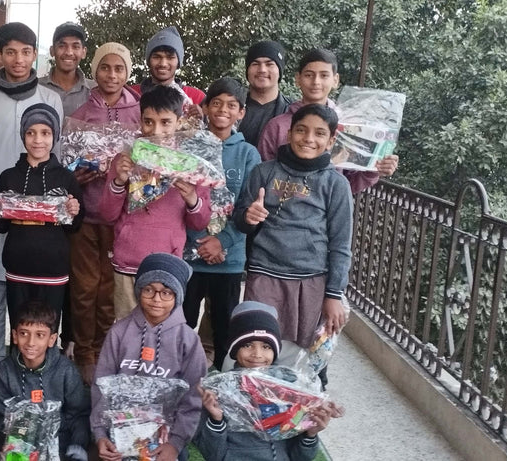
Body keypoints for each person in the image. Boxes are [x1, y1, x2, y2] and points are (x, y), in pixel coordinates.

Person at [0, 22, 64, 374]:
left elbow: (60, 155)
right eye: (11, 51)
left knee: (34, 294)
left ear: (35, 54)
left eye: (26, 51)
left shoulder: (50, 99)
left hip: (38, 222)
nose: (18, 59)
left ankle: (37, 355)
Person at [233, 104, 352, 363]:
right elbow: (241, 220)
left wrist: (333, 295)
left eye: (319, 133)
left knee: (306, 357)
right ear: (289, 134)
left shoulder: (336, 185)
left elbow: (341, 245)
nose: (309, 139)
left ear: (331, 141)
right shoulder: (263, 172)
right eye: (301, 130)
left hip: (311, 281)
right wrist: (248, 217)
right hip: (264, 276)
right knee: (256, 354)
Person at [101, 86, 210, 319]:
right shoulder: (126, 158)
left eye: (165, 122)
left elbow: (200, 222)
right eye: (148, 122)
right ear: (139, 121)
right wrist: (119, 181)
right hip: (128, 264)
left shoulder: (189, 164)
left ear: (179, 122)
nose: (156, 131)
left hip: (168, 266)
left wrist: (191, 197)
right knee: (127, 331)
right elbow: (107, 215)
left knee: (164, 336)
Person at [67, 42, 140, 382]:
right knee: (84, 289)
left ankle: (104, 346)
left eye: (119, 68)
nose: (112, 75)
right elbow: (67, 165)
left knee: (110, 290)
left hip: (122, 218)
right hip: (85, 216)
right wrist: (77, 175)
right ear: (95, 70)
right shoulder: (81, 114)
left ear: (128, 73)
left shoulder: (139, 113)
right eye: (106, 68)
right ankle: (84, 351)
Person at [91, 253, 208, 461]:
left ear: (177, 297)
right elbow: (101, 385)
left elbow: (193, 397)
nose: (156, 299)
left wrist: (176, 443)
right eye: (148, 290)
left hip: (166, 436)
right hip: (121, 430)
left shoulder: (188, 340)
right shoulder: (119, 332)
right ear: (139, 291)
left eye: (166, 293)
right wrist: (100, 434)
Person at [184, 77, 261, 369]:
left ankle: (221, 387)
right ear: (205, 108)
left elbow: (247, 205)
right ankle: (183, 381)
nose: (223, 110)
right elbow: (182, 198)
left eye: (232, 105)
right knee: (181, 322)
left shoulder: (247, 153)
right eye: (216, 103)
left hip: (229, 258)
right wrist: (199, 242)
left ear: (241, 112)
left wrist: (222, 241)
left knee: (224, 329)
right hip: (189, 256)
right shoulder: (190, 147)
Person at [0, 104, 82, 330]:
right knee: (20, 329)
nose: (38, 140)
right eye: (31, 133)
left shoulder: (66, 178)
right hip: (18, 266)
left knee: (48, 330)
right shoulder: (9, 176)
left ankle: (49, 366)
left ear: (54, 136)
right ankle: (16, 365)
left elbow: (74, 227)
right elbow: (1, 227)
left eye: (45, 133)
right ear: (23, 136)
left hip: (54, 268)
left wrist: (75, 211)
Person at [193, 301, 334, 461]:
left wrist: (310, 433)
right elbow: (213, 455)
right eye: (247, 345)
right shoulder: (219, 392)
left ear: (275, 351)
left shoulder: (288, 390)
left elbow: (300, 457)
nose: (257, 354)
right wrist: (216, 420)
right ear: (233, 349)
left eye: (266, 346)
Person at [256, 48, 398, 194]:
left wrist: (374, 169)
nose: (316, 82)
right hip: (281, 210)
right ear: (298, 79)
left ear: (335, 80)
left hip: (328, 212)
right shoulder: (277, 126)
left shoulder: (347, 127)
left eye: (324, 75)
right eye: (309, 75)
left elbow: (348, 185)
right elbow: (262, 177)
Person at [0, 300, 91, 461]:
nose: (31, 342)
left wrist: (77, 445)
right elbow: (3, 417)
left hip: (58, 437)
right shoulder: (5, 371)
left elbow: (78, 415)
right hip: (20, 438)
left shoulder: (66, 370)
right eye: (24, 333)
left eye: (40, 335)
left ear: (52, 340)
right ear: (15, 336)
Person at [131, 26, 205, 108]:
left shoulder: (197, 98)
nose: (163, 64)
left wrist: (202, 118)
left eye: (170, 57)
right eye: (156, 57)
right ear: (148, 61)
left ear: (178, 62)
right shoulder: (130, 95)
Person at [239, 41, 292, 147]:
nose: (262, 70)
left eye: (269, 64)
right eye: (255, 64)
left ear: (279, 71)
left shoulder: (293, 111)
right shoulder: (231, 105)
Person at [39, 22, 94, 117]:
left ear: (83, 52)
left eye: (75, 46)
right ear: (52, 51)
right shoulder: (36, 88)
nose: (69, 52)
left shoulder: (95, 91)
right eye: (62, 46)